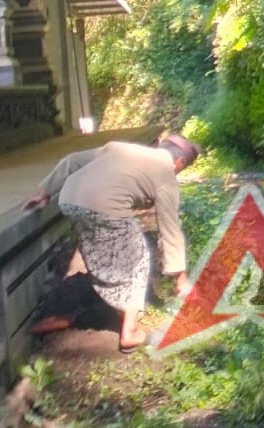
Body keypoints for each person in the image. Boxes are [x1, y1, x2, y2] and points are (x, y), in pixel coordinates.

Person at [22, 134, 202, 353]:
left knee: (100, 254)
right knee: (137, 258)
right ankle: (130, 332)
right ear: (179, 162)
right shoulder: (166, 176)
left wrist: (44, 192)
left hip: (70, 200)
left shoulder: (120, 148)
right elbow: (170, 229)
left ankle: (73, 313)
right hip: (105, 207)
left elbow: (72, 161)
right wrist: (181, 278)